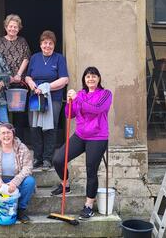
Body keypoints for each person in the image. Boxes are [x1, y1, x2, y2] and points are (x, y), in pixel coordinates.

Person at [51, 66, 112, 220]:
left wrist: (77, 99)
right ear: (84, 80)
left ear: (99, 78)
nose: (90, 79)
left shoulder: (105, 94)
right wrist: (69, 101)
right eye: (88, 76)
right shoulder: (80, 94)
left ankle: (88, 206)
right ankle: (65, 185)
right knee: (58, 159)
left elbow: (97, 109)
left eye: (94, 76)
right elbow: (69, 114)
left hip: (97, 138)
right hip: (80, 135)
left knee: (91, 171)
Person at [25, 30, 69, 170]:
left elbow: (64, 79)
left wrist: (47, 87)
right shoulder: (35, 58)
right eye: (45, 43)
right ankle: (37, 158)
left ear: (54, 45)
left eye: (50, 43)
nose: (47, 46)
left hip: (53, 98)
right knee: (34, 127)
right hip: (35, 97)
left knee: (50, 128)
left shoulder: (59, 58)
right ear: (40, 44)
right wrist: (32, 84)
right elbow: (27, 76)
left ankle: (47, 159)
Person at [0, 122, 36, 225]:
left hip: (15, 182)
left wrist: (15, 182)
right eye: (3, 133)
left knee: (30, 181)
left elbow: (28, 167)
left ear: (13, 133)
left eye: (8, 132)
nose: (6, 136)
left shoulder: (22, 148)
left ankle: (20, 210)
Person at [0, 14, 31, 136]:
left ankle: (18, 141)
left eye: (15, 27)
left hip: (19, 82)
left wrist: (19, 74)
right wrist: (7, 76)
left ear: (19, 28)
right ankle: (6, 140)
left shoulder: (22, 41)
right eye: (10, 26)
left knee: (19, 114)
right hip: (3, 82)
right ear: (6, 27)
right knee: (4, 114)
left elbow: (26, 57)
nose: (13, 29)